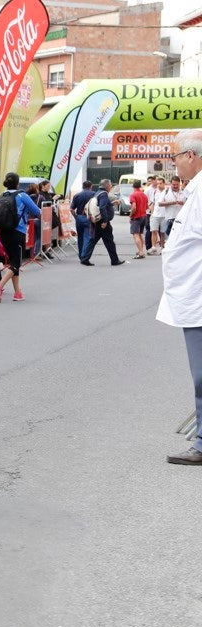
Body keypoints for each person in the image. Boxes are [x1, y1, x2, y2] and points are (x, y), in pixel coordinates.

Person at [157, 130, 202, 465]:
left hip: (198, 298)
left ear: (190, 156)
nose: (173, 164)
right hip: (191, 297)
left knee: (201, 376)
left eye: (174, 157)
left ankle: (201, 444)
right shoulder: (194, 192)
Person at [0, 172, 41, 302]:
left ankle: (17, 293)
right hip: (18, 232)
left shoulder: (3, 195)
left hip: (3, 233)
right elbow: (37, 212)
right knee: (16, 263)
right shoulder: (22, 195)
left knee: (13, 261)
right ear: (18, 183)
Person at [81, 179, 125, 267]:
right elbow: (102, 207)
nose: (111, 187)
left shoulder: (97, 193)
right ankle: (115, 260)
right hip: (102, 222)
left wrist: (112, 203)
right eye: (110, 185)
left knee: (93, 240)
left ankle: (84, 258)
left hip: (97, 221)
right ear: (107, 186)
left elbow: (102, 205)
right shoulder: (104, 194)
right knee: (109, 241)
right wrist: (105, 221)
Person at [70, 180, 95, 261]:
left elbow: (71, 209)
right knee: (88, 237)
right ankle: (84, 256)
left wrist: (76, 217)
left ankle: (81, 255)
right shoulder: (93, 194)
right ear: (91, 187)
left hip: (79, 217)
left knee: (80, 237)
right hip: (89, 217)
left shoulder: (77, 195)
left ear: (83, 186)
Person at [158, 175, 187, 243]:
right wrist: (171, 203)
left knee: (179, 239)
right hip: (169, 219)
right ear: (171, 184)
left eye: (177, 184)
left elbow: (189, 204)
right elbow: (159, 203)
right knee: (169, 239)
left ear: (179, 184)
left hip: (181, 219)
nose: (175, 186)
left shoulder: (184, 192)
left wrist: (183, 203)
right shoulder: (166, 191)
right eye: (174, 184)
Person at [129, 180, 149, 259]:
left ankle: (140, 252)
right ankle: (141, 250)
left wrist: (130, 215)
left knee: (135, 234)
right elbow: (147, 207)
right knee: (140, 234)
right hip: (144, 216)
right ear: (140, 186)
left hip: (137, 217)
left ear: (133, 186)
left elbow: (133, 207)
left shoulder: (133, 195)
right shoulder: (144, 195)